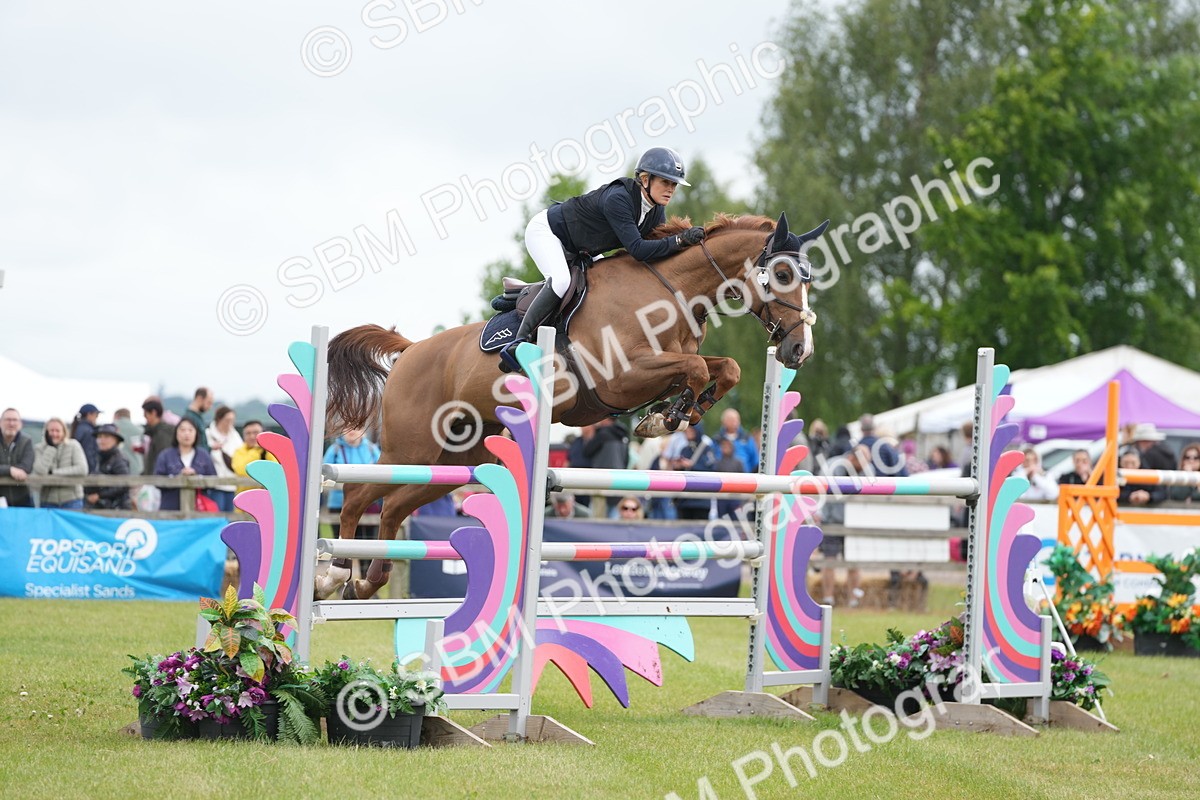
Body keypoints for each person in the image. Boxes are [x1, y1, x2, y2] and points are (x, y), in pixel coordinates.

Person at [498, 147, 704, 371]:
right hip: (549, 233)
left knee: (603, 286)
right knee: (561, 282)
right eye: (666, 182)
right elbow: (638, 249)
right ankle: (518, 342)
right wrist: (679, 241)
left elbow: (657, 254)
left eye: (673, 185)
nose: (671, 189)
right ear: (645, 179)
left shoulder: (655, 211)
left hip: (582, 247)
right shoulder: (619, 199)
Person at [323, 429, 382, 567]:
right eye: (348, 426)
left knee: (367, 547)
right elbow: (323, 473)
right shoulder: (334, 450)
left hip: (368, 504)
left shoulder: (372, 449)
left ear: (364, 431)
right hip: (339, 504)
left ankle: (366, 582)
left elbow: (382, 473)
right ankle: (340, 582)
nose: (352, 431)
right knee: (341, 549)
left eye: (357, 427)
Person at [153, 417, 217, 511]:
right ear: (176, 433)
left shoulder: (204, 455)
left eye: (190, 430)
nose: (187, 433)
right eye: (182, 430)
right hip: (170, 509)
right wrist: (177, 477)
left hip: (199, 509)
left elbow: (214, 479)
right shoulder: (165, 455)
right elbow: (157, 480)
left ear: (196, 433)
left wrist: (196, 475)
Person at [32, 417, 88, 509]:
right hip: (48, 501)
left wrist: (54, 472)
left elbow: (82, 469)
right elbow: (41, 471)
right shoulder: (38, 449)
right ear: (46, 432)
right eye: (51, 430)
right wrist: (50, 448)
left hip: (72, 500)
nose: (54, 434)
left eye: (57, 431)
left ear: (64, 432)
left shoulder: (73, 445)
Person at [583, 418, 630, 517]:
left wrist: (590, 434)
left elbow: (587, 452)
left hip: (601, 480)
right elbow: (626, 459)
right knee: (615, 517)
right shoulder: (623, 434)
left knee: (598, 518)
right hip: (619, 480)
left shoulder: (602, 434)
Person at [671, 424, 716, 520]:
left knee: (699, 532)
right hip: (684, 500)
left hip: (701, 501)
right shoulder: (684, 450)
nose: (687, 433)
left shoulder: (706, 449)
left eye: (691, 430)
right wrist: (677, 467)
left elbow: (711, 470)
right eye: (686, 431)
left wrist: (692, 466)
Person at [86, 424, 132, 510]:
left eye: (106, 437)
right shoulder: (99, 457)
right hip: (103, 507)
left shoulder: (119, 459)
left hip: (117, 508)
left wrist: (99, 495)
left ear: (116, 441)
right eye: (99, 437)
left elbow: (124, 485)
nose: (102, 440)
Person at [206, 405, 243, 512]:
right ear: (219, 419)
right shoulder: (208, 434)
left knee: (231, 516)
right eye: (227, 420)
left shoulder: (235, 435)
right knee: (217, 515)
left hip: (232, 483)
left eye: (232, 420)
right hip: (215, 484)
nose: (229, 423)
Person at [0, 408, 35, 508]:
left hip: (23, 499)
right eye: (8, 419)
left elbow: (27, 467)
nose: (11, 423)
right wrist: (10, 470)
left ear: (20, 423)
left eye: (15, 420)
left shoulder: (27, 440)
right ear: (0, 422)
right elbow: (18, 470)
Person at [231, 419, 277, 490]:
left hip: (267, 495)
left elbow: (274, 469)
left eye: (255, 433)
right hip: (243, 496)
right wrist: (256, 449)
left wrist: (267, 445)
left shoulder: (269, 450)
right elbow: (241, 471)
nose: (252, 436)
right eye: (248, 433)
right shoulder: (238, 451)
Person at [713, 437, 747, 520]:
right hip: (721, 497)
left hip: (735, 497)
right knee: (722, 520)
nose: (725, 448)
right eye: (723, 446)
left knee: (736, 520)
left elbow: (743, 480)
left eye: (727, 446)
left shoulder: (738, 463)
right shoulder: (717, 463)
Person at [717, 408, 760, 473]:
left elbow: (755, 460)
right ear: (724, 422)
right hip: (722, 477)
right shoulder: (717, 439)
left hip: (744, 478)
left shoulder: (747, 438)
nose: (735, 422)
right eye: (731, 420)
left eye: (737, 419)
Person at [142, 399, 176, 477]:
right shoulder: (155, 432)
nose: (144, 418)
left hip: (159, 479)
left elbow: (164, 458)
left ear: (153, 413)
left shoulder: (162, 434)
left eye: (145, 414)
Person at [113, 408, 144, 475]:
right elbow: (139, 450)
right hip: (135, 468)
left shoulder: (112, 428)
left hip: (115, 467)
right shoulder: (138, 430)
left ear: (117, 416)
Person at [71, 403, 101, 473]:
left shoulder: (77, 428)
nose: (97, 418)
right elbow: (88, 454)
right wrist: (92, 472)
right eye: (96, 415)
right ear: (89, 414)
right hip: (86, 472)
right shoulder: (89, 431)